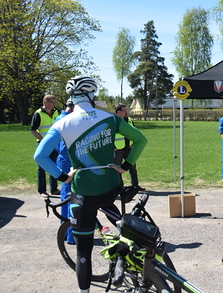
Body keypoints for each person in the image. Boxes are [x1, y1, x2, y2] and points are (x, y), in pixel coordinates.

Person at [34, 75, 147, 293]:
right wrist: (125, 165)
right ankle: (126, 250)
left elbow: (40, 156)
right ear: (92, 94)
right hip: (110, 188)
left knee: (83, 253)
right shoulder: (110, 118)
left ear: (71, 97)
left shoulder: (62, 122)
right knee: (112, 213)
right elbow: (142, 139)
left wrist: (62, 177)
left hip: (83, 193)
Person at [30, 94, 60, 197]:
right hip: (42, 143)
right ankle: (42, 190)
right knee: (42, 167)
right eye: (52, 102)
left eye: (54, 102)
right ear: (45, 102)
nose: (54, 104)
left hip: (55, 143)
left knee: (54, 165)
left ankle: (54, 189)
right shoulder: (38, 114)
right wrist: (43, 141)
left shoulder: (56, 112)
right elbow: (33, 130)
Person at [55, 98, 75, 244]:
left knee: (65, 196)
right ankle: (71, 234)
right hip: (68, 162)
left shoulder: (60, 118)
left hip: (64, 161)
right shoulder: (68, 121)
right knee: (71, 197)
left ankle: (64, 231)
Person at [114, 103, 145, 191]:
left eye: (126, 110)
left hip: (129, 148)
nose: (126, 112)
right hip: (118, 149)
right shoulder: (114, 122)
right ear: (118, 112)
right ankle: (120, 187)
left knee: (132, 167)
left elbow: (136, 133)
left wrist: (134, 144)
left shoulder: (129, 120)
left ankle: (135, 186)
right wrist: (113, 147)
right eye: (124, 110)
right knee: (117, 168)